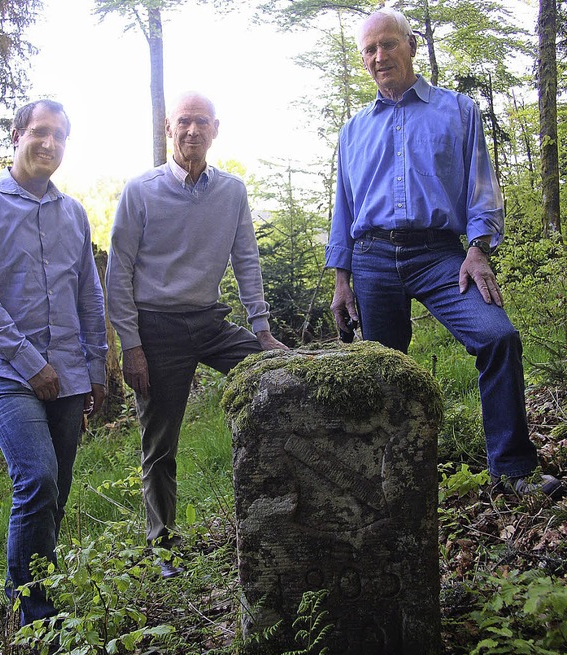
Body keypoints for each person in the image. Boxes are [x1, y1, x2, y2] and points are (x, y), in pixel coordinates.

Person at [326, 8, 563, 499]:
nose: (378, 57)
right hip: (370, 259)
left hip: (440, 255)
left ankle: (512, 471)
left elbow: (482, 187)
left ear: (411, 45)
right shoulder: (352, 131)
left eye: (388, 44)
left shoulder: (457, 110)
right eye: (369, 50)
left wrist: (478, 249)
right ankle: (390, 486)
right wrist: (341, 278)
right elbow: (343, 207)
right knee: (381, 371)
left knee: (498, 337)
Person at [106, 91, 287, 576]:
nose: (191, 131)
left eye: (201, 122)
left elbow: (246, 259)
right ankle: (161, 545)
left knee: (283, 371)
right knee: (160, 444)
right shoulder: (140, 192)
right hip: (156, 329)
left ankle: (285, 494)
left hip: (210, 323)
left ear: (215, 129)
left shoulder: (231, 192)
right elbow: (118, 271)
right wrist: (131, 346)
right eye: (183, 122)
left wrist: (262, 330)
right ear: (169, 129)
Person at [0, 99, 108, 624]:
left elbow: (90, 295)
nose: (50, 143)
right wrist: (29, 361)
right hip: (3, 370)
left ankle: (43, 590)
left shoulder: (73, 213)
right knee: (36, 478)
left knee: (54, 492)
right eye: (40, 132)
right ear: (16, 136)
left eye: (60, 135)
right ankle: (33, 617)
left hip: (68, 371)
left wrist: (97, 367)